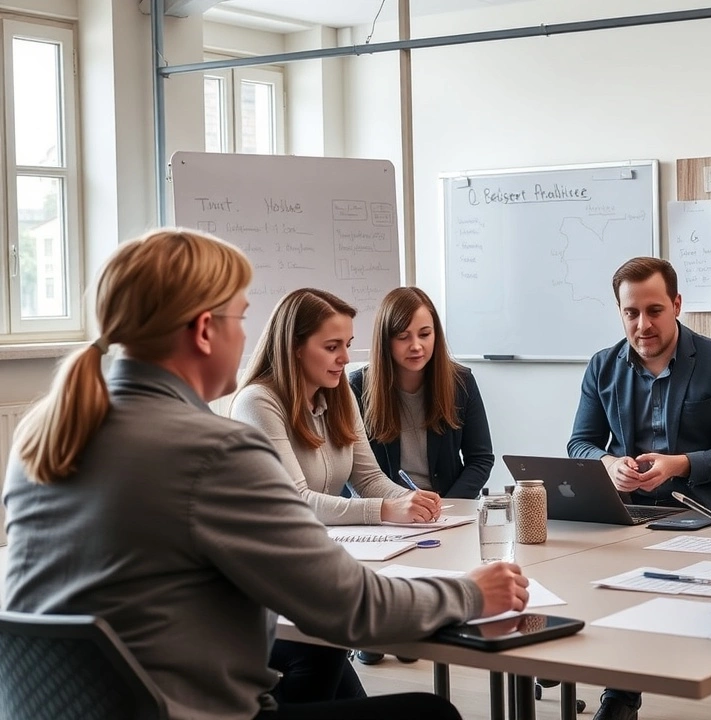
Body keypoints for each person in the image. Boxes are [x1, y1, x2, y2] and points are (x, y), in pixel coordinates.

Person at [2, 228, 530, 720]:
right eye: (240, 316)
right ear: (206, 330)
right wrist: (469, 592)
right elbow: (354, 608)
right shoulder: (214, 450)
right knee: (429, 713)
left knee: (330, 673)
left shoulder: (45, 435)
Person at [230, 287, 449, 701]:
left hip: (317, 565)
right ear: (294, 348)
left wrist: (409, 501)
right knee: (330, 653)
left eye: (347, 345)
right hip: (268, 593)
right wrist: (385, 509)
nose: (346, 359)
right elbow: (296, 501)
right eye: (332, 347)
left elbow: (369, 478)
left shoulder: (338, 392)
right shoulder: (258, 403)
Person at [567, 256, 711, 720]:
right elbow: (579, 444)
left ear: (676, 305)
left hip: (701, 516)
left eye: (654, 310)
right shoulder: (603, 366)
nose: (642, 324)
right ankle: (621, 693)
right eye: (631, 313)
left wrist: (680, 464)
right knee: (605, 591)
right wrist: (607, 463)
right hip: (626, 513)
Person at [349, 286, 494, 666]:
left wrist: (441, 506)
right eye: (404, 336)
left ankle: (414, 624)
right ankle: (386, 624)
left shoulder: (461, 381)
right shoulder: (357, 387)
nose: (416, 346)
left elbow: (481, 458)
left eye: (425, 334)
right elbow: (354, 470)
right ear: (386, 341)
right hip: (386, 512)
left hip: (445, 509)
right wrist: (396, 507)